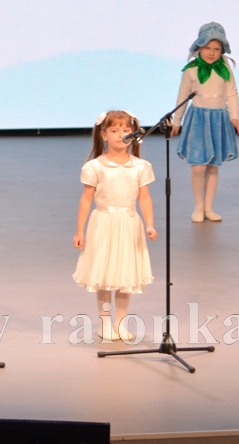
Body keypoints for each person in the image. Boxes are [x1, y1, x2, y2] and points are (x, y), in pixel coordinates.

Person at [73, 110, 157, 342]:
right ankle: (105, 323)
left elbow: (145, 198)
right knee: (105, 273)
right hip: (104, 223)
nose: (121, 135)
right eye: (115, 130)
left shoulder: (141, 166)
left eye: (126, 130)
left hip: (129, 224)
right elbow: (86, 199)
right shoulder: (95, 167)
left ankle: (120, 323)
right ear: (104, 135)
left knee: (124, 275)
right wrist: (80, 230)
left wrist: (149, 224)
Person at [171, 22, 239, 223]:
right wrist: (177, 120)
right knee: (198, 165)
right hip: (198, 119)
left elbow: (232, 93)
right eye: (207, 48)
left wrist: (235, 117)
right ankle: (198, 205)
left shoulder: (225, 68)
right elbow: (183, 96)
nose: (212, 53)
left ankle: (209, 207)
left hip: (218, 118)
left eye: (216, 49)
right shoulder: (191, 70)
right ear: (199, 47)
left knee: (212, 165)